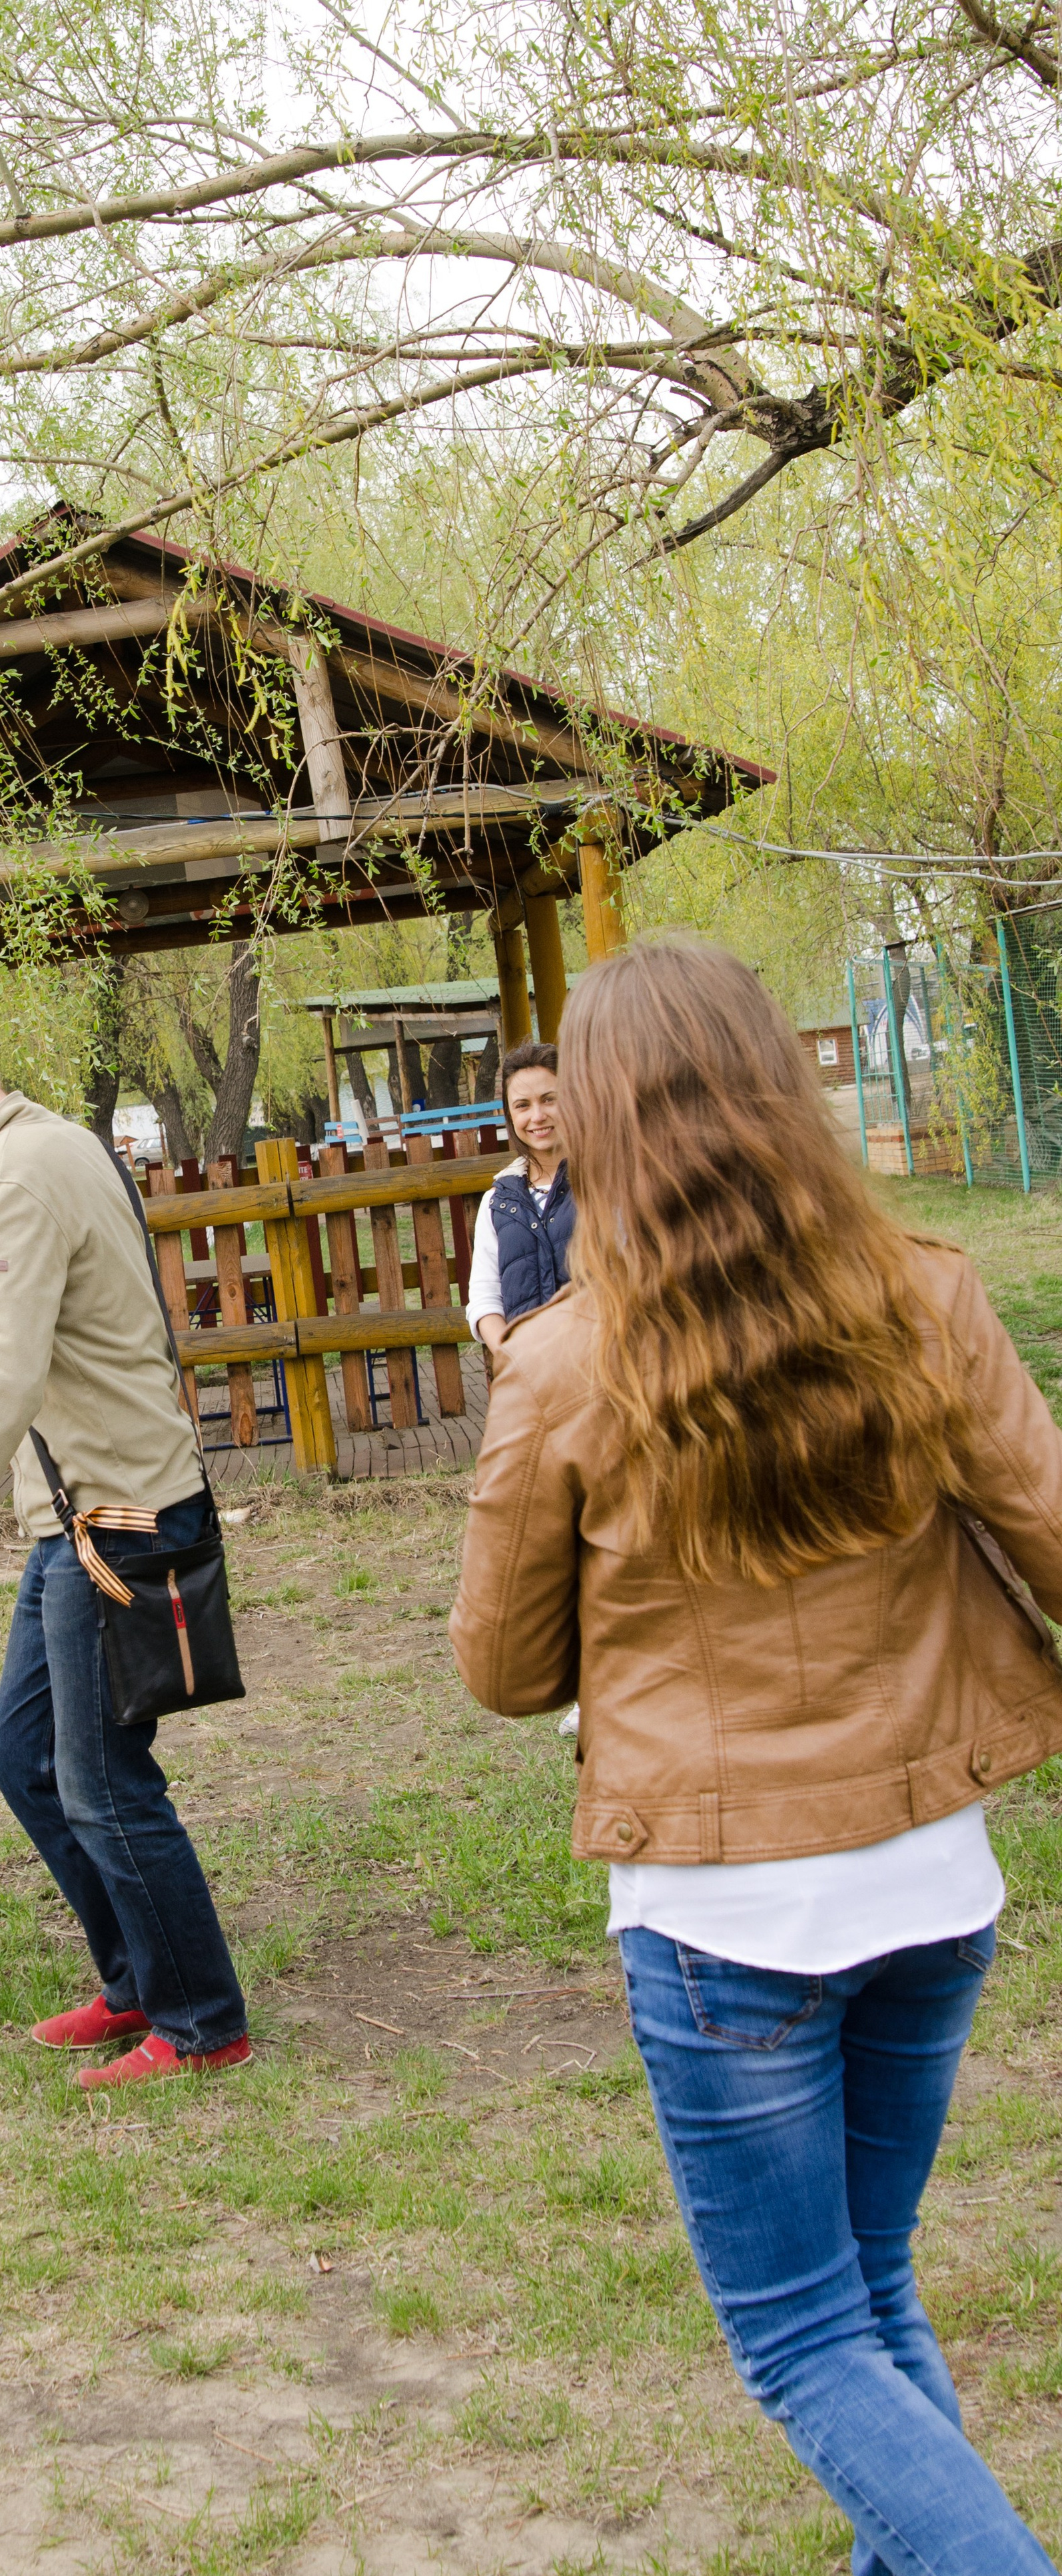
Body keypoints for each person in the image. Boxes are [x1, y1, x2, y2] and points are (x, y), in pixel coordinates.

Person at [451, 941, 1062, 2576]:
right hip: (931, 1884)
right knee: (864, 2296)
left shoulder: (564, 1365)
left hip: (728, 1924)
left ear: (592, 1123)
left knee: (803, 2342)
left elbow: (503, 1672)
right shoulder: (915, 1294)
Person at [0, 1005, 251, 2093]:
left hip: (111, 1515)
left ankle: (200, 2020)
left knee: (103, 1782)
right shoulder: (56, 1144)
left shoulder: (14, 1175)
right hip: (82, 1512)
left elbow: (4, 1372)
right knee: (24, 1753)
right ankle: (136, 1978)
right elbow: (40, 1285)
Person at [464, 1038, 574, 1356]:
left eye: (549, 1099)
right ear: (510, 1115)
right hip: (530, 1385)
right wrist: (515, 1360)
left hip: (607, 1378)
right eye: (523, 1105)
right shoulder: (497, 1202)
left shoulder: (607, 1184)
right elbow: (485, 1297)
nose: (537, 1116)